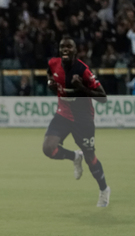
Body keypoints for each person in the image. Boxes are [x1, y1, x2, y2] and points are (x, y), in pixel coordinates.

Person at [43, 37, 110, 207]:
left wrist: (82, 88)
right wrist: (50, 83)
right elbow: (50, 75)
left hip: (83, 119)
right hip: (63, 115)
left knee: (90, 158)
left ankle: (104, 190)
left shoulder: (83, 70)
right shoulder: (53, 63)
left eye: (69, 47)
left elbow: (103, 97)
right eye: (62, 46)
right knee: (48, 148)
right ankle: (74, 156)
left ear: (75, 50)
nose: (65, 49)